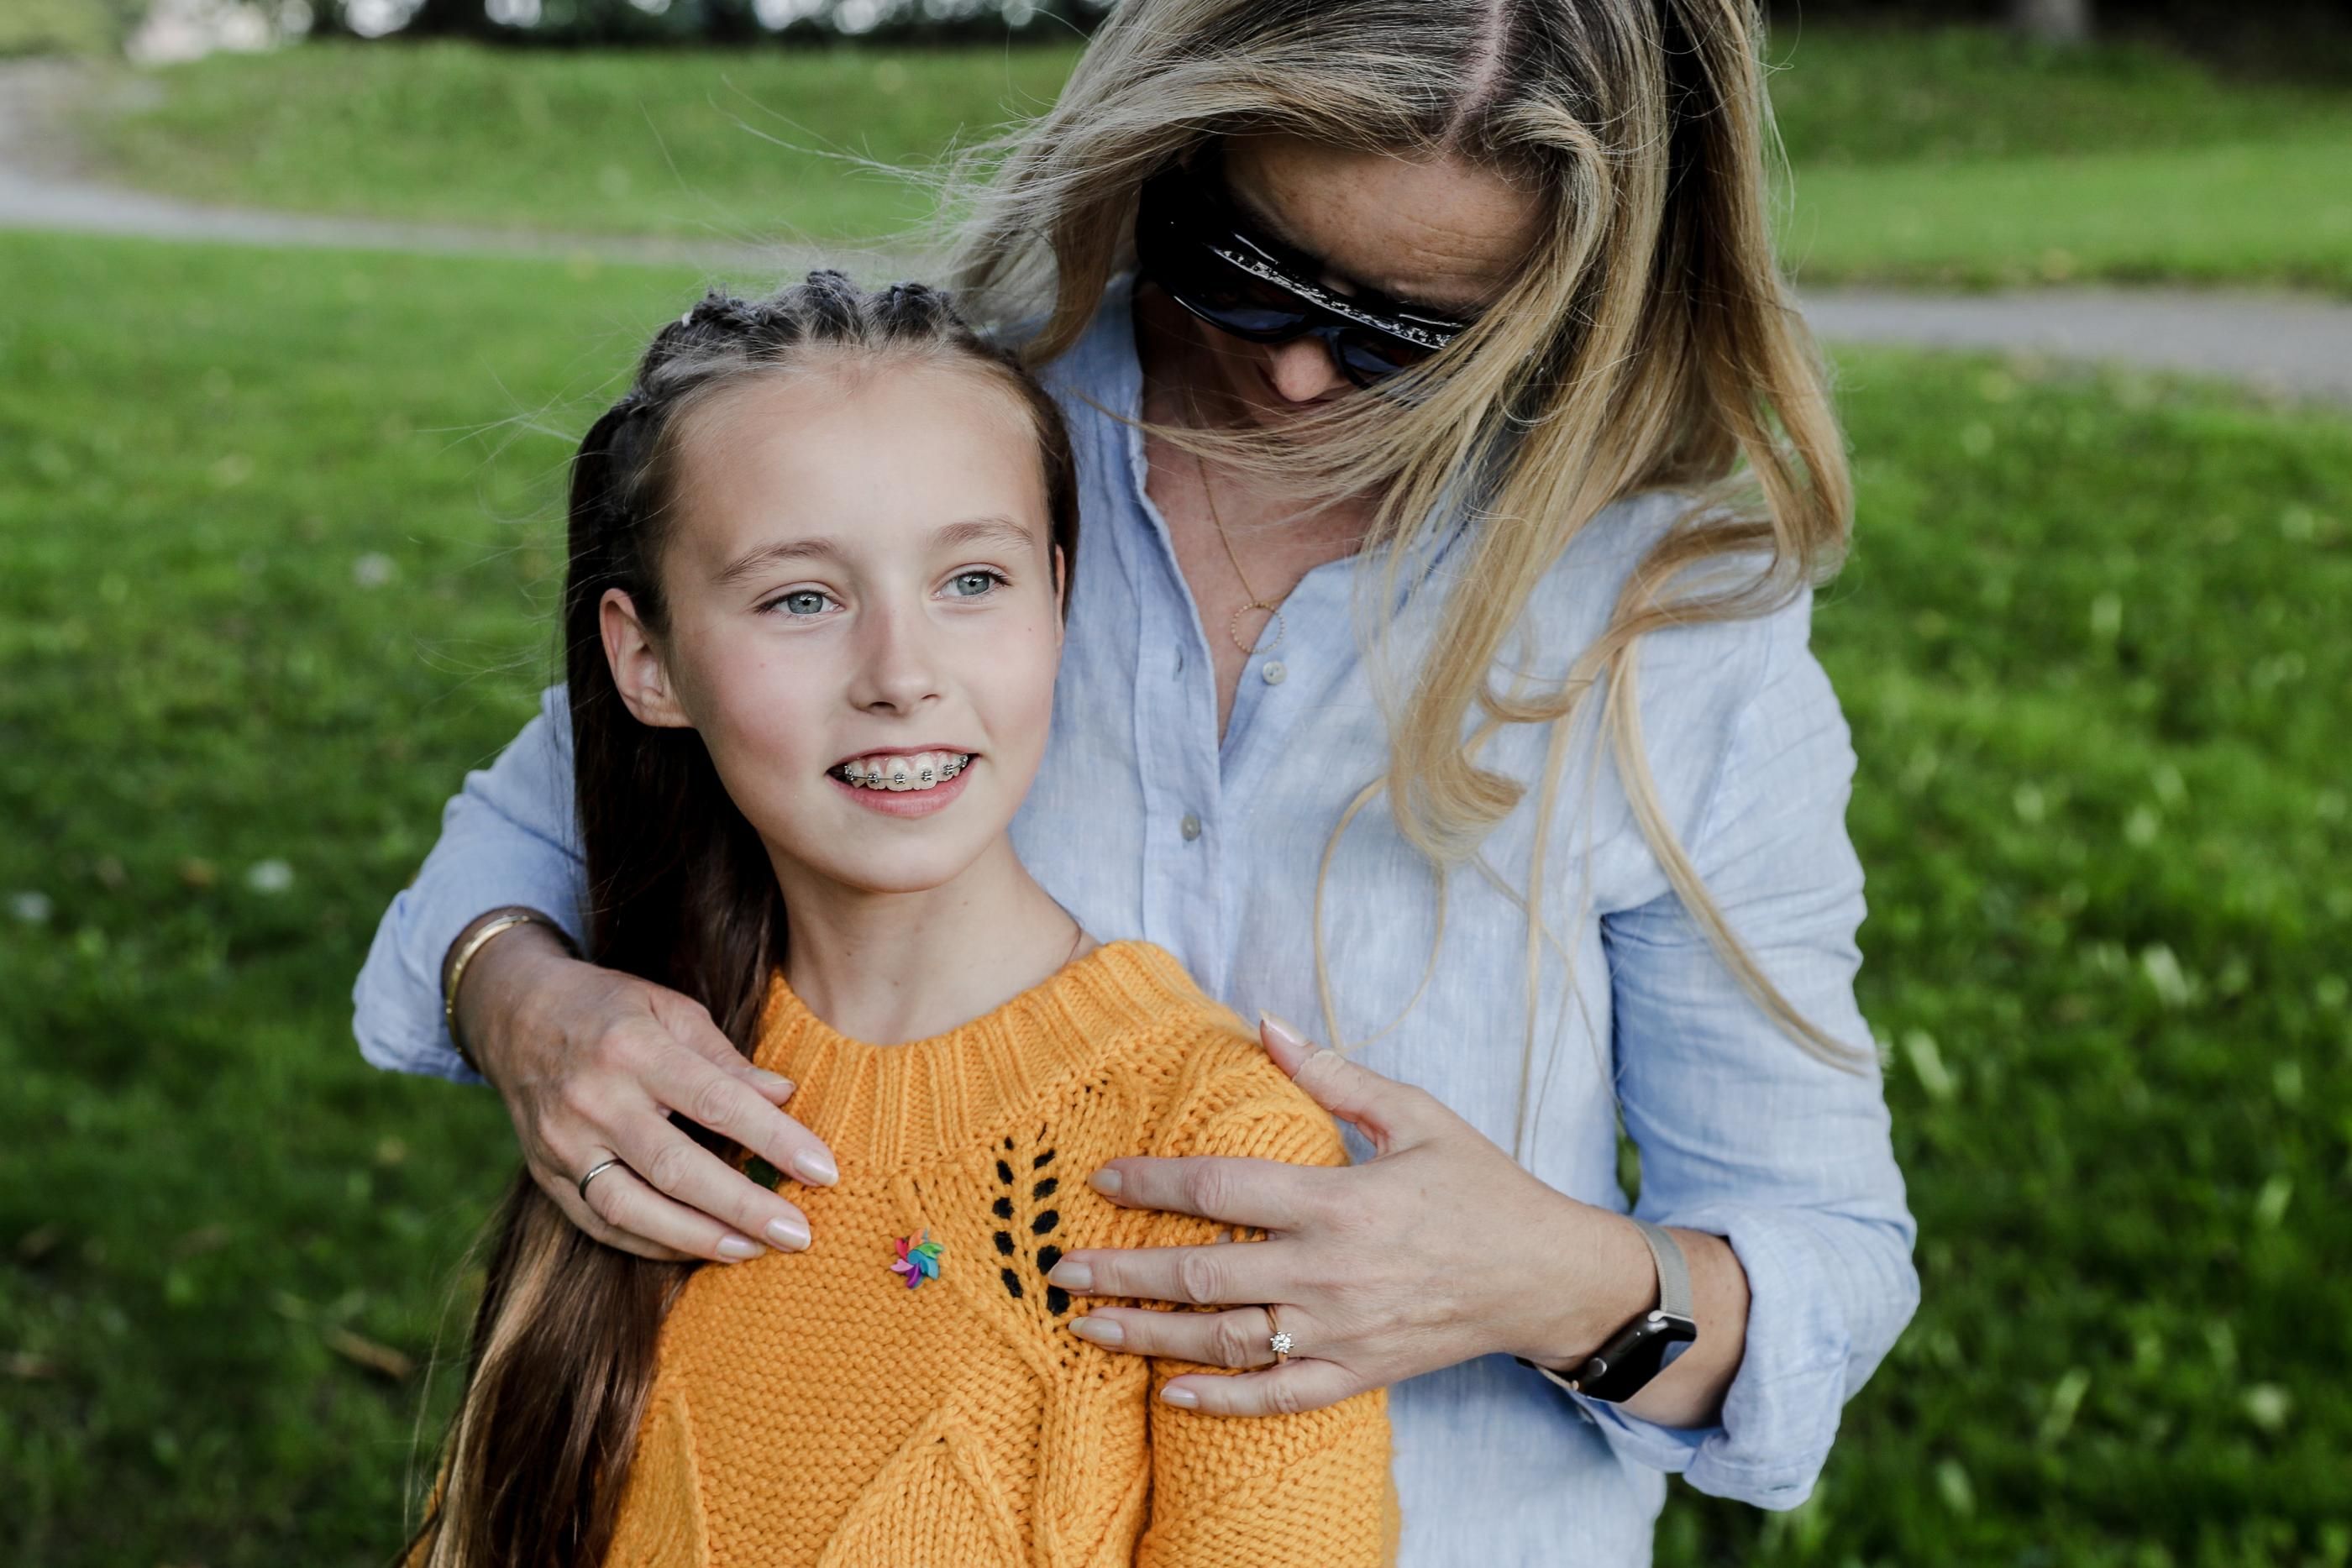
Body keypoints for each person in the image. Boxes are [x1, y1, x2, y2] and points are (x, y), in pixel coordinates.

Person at [358, 3, 1920, 1560]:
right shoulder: (960, 447)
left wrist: (1552, 1284)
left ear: (1565, 304)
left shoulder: (1668, 618)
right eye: (1244, 268)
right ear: (1166, 155)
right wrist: (522, 1001)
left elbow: (1829, 1256)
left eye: (1414, 335)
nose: (1298, 375)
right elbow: (552, 821)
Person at [401, 271, 1399, 1567]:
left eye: (971, 579)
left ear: (1056, 596)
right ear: (647, 661)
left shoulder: (1212, 1155)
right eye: (801, 599)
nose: (902, 675)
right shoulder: (631, 1088)